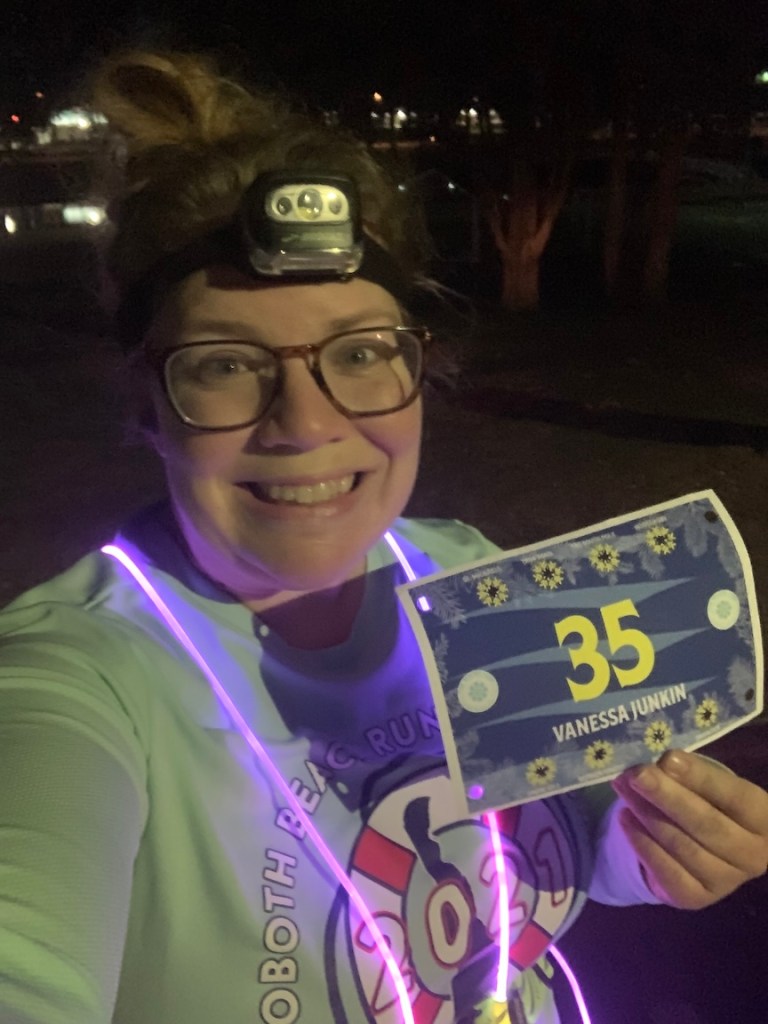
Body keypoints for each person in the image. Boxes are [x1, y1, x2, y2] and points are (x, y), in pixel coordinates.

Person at [0, 50, 766, 1024]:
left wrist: (642, 850)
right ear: (147, 399)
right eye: (228, 364)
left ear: (419, 364)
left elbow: (550, 858)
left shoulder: (468, 574)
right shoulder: (78, 680)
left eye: (359, 352)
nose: (305, 422)